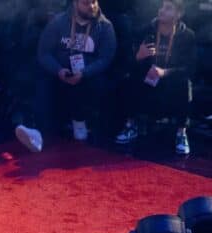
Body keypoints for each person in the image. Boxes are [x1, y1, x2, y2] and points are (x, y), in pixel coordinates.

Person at [15, 0, 116, 152]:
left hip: (89, 74)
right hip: (61, 72)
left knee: (94, 83)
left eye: (94, 2)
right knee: (43, 81)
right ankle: (38, 132)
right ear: (75, 3)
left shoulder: (105, 26)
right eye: (86, 3)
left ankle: (80, 125)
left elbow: (106, 58)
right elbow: (44, 53)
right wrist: (58, 70)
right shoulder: (59, 22)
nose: (92, 6)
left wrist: (85, 73)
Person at [114, 0, 196, 155]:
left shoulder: (187, 36)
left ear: (179, 14)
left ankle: (181, 133)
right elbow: (127, 63)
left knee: (185, 84)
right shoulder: (145, 31)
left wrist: (165, 72)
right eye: (161, 7)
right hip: (148, 79)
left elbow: (189, 68)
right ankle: (130, 125)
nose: (161, 11)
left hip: (170, 81)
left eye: (168, 8)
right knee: (129, 79)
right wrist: (138, 56)